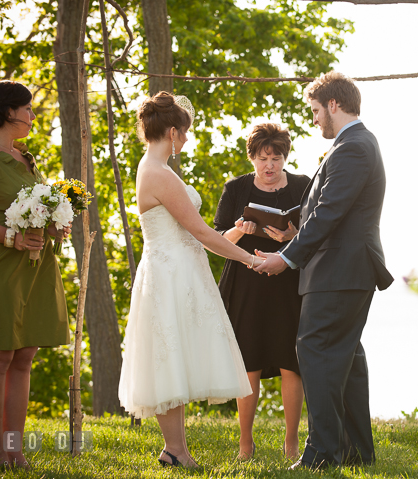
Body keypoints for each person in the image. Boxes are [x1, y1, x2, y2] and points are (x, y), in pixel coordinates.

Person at [254, 71, 394, 469]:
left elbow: (330, 213)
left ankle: (322, 453)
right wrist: (290, 223)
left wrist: (287, 257)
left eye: (315, 111)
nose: (313, 119)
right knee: (345, 362)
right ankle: (355, 451)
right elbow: (322, 208)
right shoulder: (354, 145)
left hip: (339, 269)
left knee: (315, 353)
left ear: (334, 104)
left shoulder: (353, 147)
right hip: (342, 269)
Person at [117, 92, 254, 469]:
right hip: (170, 272)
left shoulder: (155, 169)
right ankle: (175, 449)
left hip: (176, 268)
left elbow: (199, 235)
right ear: (174, 132)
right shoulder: (159, 174)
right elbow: (202, 233)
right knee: (167, 356)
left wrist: (235, 237)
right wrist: (246, 259)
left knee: (173, 356)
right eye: (186, 133)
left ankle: (175, 450)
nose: (187, 140)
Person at [0, 80, 70, 469]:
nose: (33, 116)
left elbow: (37, 208)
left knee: (23, 357)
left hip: (35, 267)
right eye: (28, 108)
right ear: (7, 111)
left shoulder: (26, 159)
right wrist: (10, 238)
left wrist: (53, 225)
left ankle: (14, 449)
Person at [213, 123, 310, 460]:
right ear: (252, 157)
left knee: (291, 364)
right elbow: (218, 241)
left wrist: (292, 235)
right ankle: (244, 444)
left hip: (289, 286)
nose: (270, 165)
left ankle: (292, 443)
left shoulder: (302, 186)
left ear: (285, 158)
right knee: (248, 362)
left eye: (277, 158)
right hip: (246, 286)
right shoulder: (236, 188)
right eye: (263, 158)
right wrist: (240, 230)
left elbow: (315, 234)